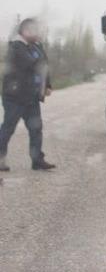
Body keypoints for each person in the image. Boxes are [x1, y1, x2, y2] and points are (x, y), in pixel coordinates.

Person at [0, 18, 56, 171]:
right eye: (34, 30)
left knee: (36, 129)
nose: (38, 33)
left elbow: (44, 66)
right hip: (14, 97)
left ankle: (37, 160)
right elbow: (32, 63)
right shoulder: (16, 46)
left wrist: (48, 85)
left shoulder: (36, 46)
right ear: (25, 31)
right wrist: (41, 59)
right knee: (8, 128)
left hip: (31, 97)